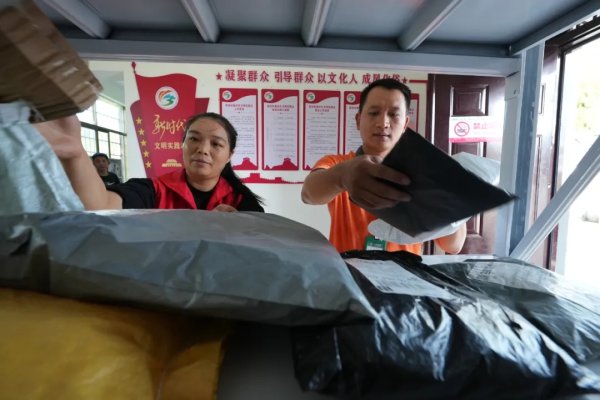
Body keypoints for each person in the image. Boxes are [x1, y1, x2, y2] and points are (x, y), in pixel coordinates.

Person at [301, 78, 466, 254]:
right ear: (358, 120)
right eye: (373, 113)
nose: (383, 123)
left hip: (404, 271)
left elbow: (453, 246)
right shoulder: (339, 164)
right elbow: (309, 194)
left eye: (394, 114)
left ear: (405, 124)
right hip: (348, 270)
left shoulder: (424, 172)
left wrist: (449, 199)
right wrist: (342, 177)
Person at [35, 112, 264, 212]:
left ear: (230, 155)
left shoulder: (241, 202)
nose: (203, 149)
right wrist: (76, 153)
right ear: (183, 145)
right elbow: (100, 205)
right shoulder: (153, 191)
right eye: (194, 139)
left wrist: (235, 227)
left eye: (216, 144)